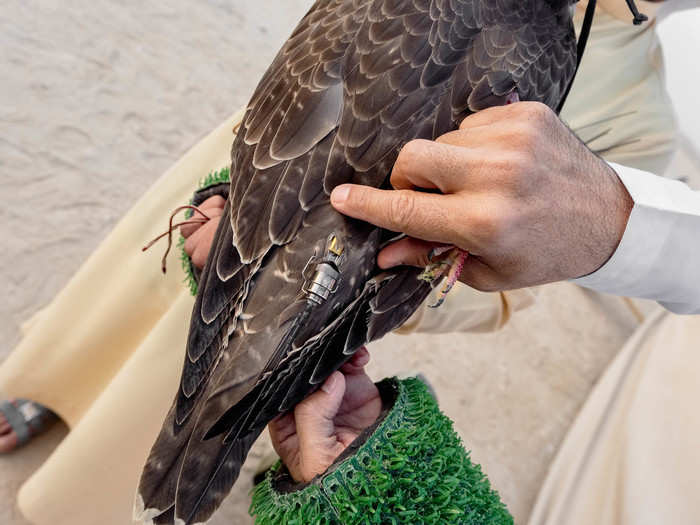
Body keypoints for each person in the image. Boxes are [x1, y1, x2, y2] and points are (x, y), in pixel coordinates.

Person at [0, 0, 696, 523]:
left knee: (177, 402)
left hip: (338, 289)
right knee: (123, 303)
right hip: (245, 192)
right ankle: (52, 383)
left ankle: (83, 480)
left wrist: (357, 294)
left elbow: (516, 290)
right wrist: (231, 197)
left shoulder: (643, 129)